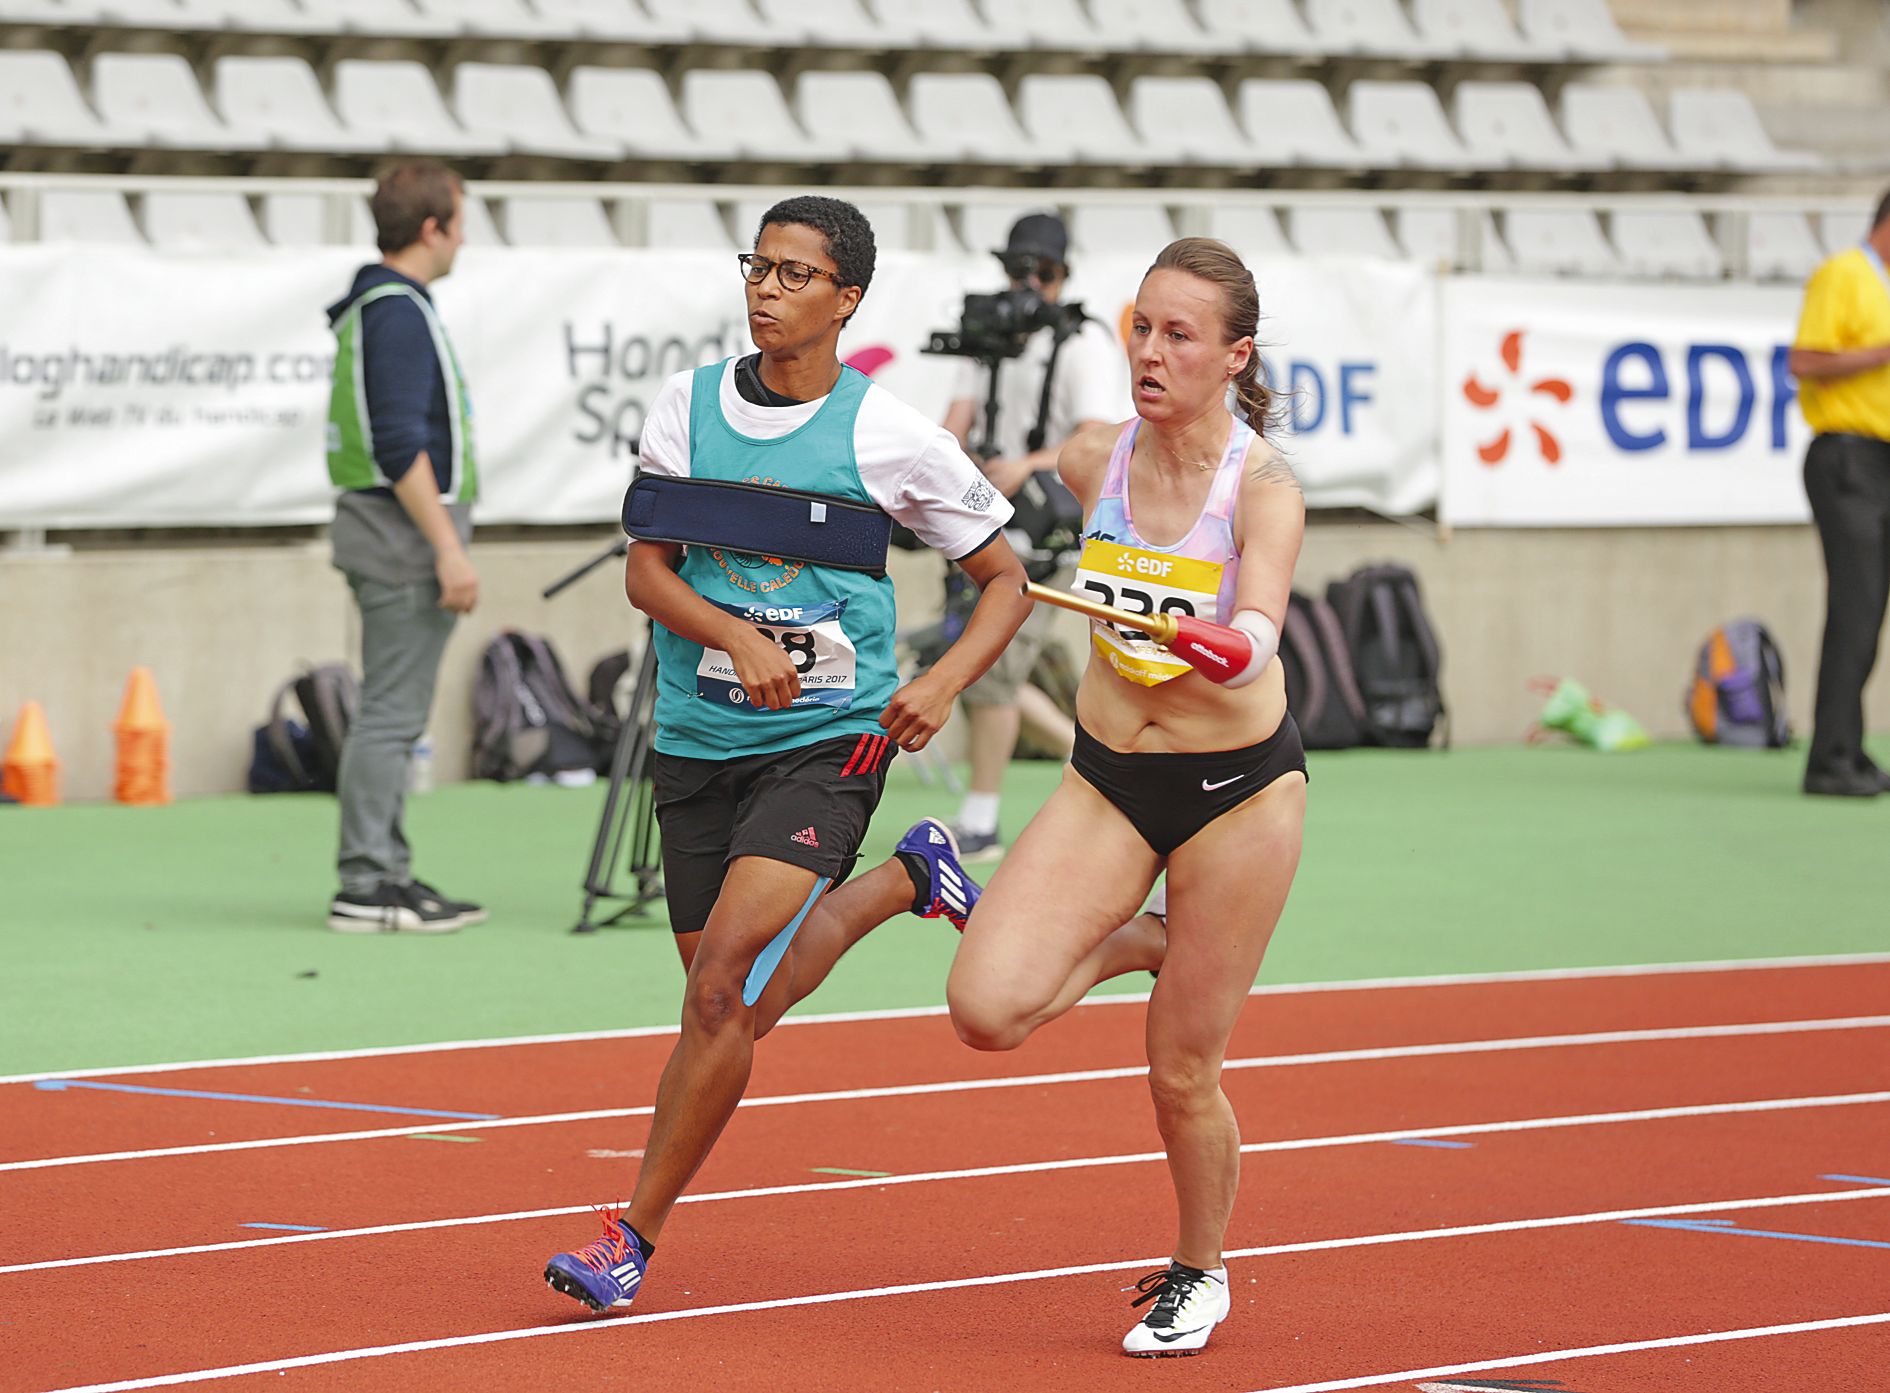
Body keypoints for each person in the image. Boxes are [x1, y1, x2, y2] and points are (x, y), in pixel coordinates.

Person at [542, 196, 1030, 1314]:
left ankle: (631, 1239)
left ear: (846, 297)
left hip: (828, 738)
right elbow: (647, 572)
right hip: (699, 738)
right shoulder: (688, 406)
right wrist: (733, 634)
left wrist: (943, 681)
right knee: (737, 1011)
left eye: (796, 274)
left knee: (719, 993)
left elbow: (1004, 576)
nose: (767, 288)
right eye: (757, 267)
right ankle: (913, 877)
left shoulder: (888, 435)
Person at [946, 237, 1307, 1357]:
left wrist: (1225, 647)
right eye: (1141, 327)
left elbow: (1260, 630)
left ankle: (1199, 1272)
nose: (1151, 351)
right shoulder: (1098, 455)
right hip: (1109, 778)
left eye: (1180, 334)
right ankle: (1157, 937)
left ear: (1233, 354)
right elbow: (1005, 475)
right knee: (987, 1008)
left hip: (1235, 795)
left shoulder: (1264, 486)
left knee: (1179, 1068)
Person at [324, 161, 485, 934]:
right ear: (432, 229)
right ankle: (367, 881)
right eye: (459, 221)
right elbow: (398, 445)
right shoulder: (396, 309)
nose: (463, 238)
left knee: (392, 714)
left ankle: (383, 871)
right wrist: (448, 547)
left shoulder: (387, 305)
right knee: (390, 716)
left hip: (385, 534)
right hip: (398, 541)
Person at [937, 212, 1124, 858]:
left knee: (989, 672)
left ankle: (983, 819)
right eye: (1018, 270)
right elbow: (953, 425)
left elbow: (1097, 441)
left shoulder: (1083, 344)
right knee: (987, 672)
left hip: (1047, 534)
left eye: (1042, 274)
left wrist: (1027, 467)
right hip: (984, 527)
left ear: (1062, 277)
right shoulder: (986, 338)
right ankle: (1108, 773)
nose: (1028, 285)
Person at [1789, 189, 1890, 798]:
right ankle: (1828, 760)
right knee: (1855, 611)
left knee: (1871, 612)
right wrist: (1882, 353)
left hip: (1882, 457)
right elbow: (1803, 359)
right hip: (1847, 457)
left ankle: (1848, 747)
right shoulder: (1843, 275)